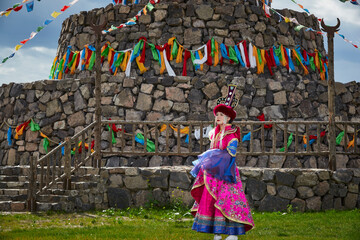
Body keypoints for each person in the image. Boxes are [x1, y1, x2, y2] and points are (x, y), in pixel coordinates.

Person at [190, 85, 254, 240]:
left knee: (228, 201)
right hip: (213, 173)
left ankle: (233, 234)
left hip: (226, 173)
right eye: (217, 114)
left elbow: (229, 154)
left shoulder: (232, 135)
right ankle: (217, 232)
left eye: (221, 114)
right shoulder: (215, 133)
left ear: (228, 118)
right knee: (212, 200)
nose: (217, 117)